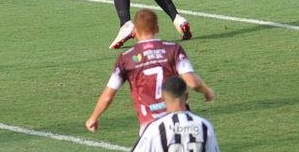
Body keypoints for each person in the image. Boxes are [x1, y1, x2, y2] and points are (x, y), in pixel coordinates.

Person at [85, 9, 214, 132]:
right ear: (157, 28)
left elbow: (108, 96)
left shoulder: (126, 58)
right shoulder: (173, 49)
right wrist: (206, 91)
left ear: (134, 31)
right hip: (179, 123)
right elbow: (192, 82)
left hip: (151, 127)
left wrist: (93, 118)